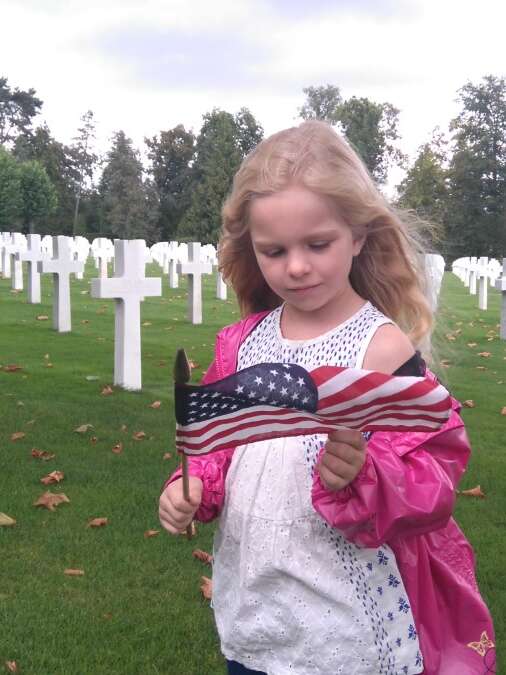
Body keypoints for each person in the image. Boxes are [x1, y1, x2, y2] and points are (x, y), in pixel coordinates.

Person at [159, 121, 495, 675]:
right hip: (255, 600)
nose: (295, 266)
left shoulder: (381, 347)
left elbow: (435, 470)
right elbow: (221, 446)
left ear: (358, 235)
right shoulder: (243, 343)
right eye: (274, 250)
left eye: (318, 244)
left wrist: (365, 475)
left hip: (344, 615)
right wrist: (192, 486)